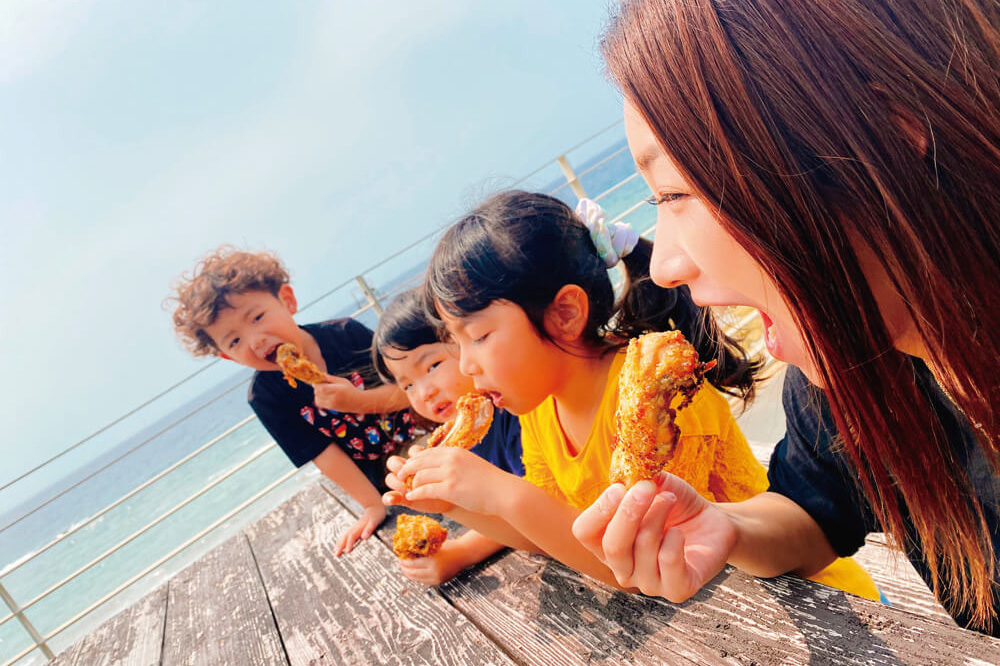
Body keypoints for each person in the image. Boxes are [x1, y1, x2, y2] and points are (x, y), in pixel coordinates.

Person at [572, 0, 1000, 635]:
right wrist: (725, 526)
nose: (662, 266)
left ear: (892, 130)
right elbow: (815, 513)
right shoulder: (851, 376)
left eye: (675, 193)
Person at [384, 191, 880, 600]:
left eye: (479, 336)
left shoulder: (655, 395)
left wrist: (502, 492)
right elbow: (551, 538)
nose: (467, 366)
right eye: (455, 342)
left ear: (564, 314)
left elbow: (645, 569)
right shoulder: (541, 412)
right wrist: (451, 501)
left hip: (815, 599)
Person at [169, 247, 420, 557]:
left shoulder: (346, 334)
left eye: (257, 317)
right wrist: (370, 505)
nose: (255, 340)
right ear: (226, 355)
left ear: (287, 301)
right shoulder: (266, 397)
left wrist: (358, 402)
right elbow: (323, 454)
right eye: (234, 341)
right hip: (383, 474)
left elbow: (413, 390)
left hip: (422, 430)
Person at [371, 287, 524, 584]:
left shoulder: (516, 412)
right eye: (408, 386)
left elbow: (530, 507)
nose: (424, 392)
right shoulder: (455, 439)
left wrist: (463, 551)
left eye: (432, 366)